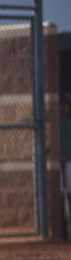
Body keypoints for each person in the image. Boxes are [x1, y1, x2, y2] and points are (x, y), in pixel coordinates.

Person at [60, 92, 71, 239]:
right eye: (62, 104)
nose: (64, 107)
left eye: (67, 105)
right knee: (59, 196)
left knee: (69, 194)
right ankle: (62, 231)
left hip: (68, 162)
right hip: (56, 165)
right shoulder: (52, 124)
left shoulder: (69, 124)